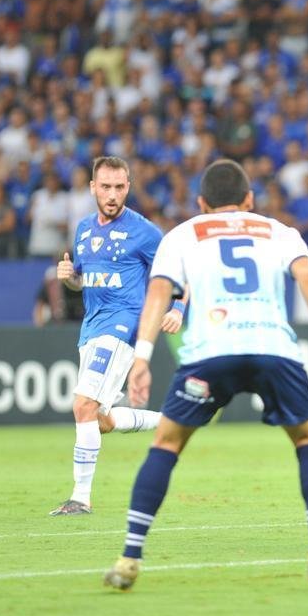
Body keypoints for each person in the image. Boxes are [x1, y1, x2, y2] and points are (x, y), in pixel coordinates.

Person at [103, 158, 308, 591]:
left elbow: (158, 293)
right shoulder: (279, 230)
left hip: (210, 354)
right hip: (273, 348)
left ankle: (129, 557)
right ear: (250, 200)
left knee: (166, 444)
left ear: (201, 203)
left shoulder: (183, 234)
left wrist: (141, 357)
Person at [50, 157, 184, 517]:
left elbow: (181, 274)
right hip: (91, 328)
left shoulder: (144, 231)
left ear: (129, 186)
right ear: (93, 187)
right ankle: (171, 420)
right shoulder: (83, 230)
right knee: (101, 419)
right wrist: (68, 277)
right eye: (105, 187)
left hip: (123, 328)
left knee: (82, 405)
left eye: (120, 187)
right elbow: (83, 279)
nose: (112, 195)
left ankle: (80, 497)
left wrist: (178, 309)